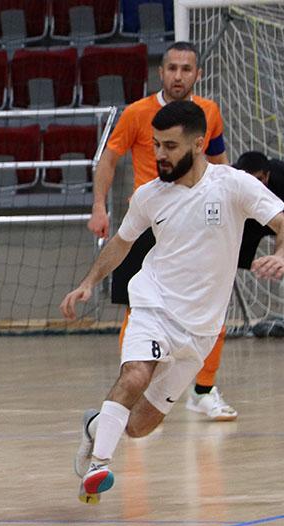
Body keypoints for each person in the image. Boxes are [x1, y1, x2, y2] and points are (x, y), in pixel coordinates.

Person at [61, 101, 284, 505]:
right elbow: (122, 242)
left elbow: (281, 220)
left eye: (169, 146)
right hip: (153, 306)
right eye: (156, 145)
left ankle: (95, 425)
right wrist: (88, 283)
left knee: (140, 426)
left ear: (198, 145)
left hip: (200, 329)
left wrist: (281, 253)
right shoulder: (149, 196)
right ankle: (98, 465)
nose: (159, 154)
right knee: (135, 376)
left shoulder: (233, 185)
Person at [88, 41, 237, 421]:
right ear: (161, 72)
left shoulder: (209, 112)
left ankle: (203, 391)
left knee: (213, 312)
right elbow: (109, 159)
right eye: (172, 68)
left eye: (186, 69)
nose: (178, 76)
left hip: (198, 228)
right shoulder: (138, 113)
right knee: (137, 309)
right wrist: (99, 206)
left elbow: (220, 163)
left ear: (197, 74)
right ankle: (131, 388)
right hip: (148, 225)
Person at [234, 151, 284, 269]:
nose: (254, 186)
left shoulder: (281, 174)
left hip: (279, 213)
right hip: (247, 220)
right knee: (230, 260)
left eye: (258, 179)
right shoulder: (229, 181)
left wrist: (280, 255)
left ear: (267, 175)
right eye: (249, 181)